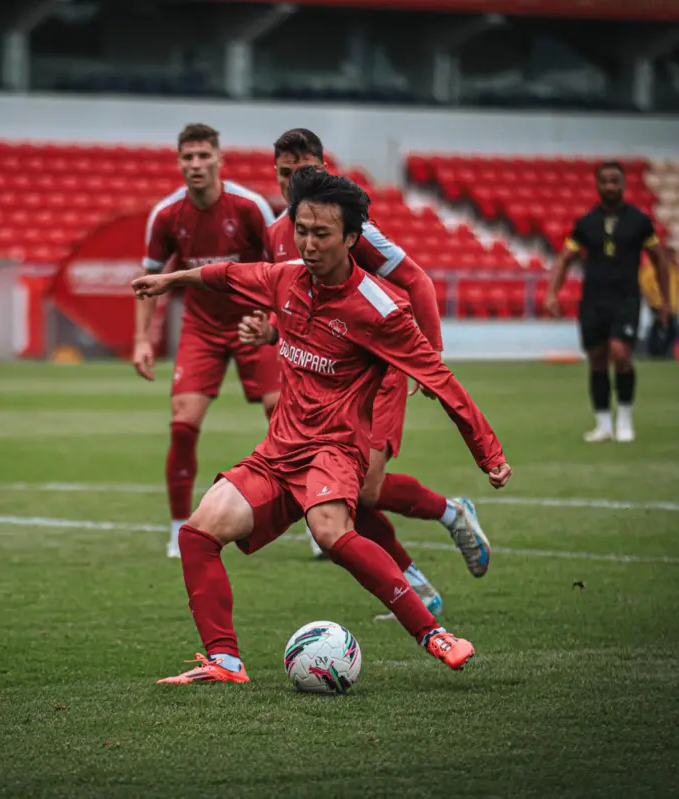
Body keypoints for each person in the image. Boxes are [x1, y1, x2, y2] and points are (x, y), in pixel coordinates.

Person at [131, 167, 512, 684]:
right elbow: (225, 275)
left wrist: (488, 453)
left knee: (330, 531)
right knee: (199, 531)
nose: (307, 244)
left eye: (321, 234)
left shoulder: (380, 308)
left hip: (334, 450)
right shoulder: (286, 277)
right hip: (278, 452)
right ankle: (225, 661)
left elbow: (442, 381)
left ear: (353, 238)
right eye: (301, 231)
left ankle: (433, 634)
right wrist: (168, 281)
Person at [256, 133, 494, 608]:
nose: (293, 182)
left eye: (302, 171)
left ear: (323, 169)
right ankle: (417, 579)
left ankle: (446, 519)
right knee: (349, 494)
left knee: (361, 488)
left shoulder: (353, 229)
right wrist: (267, 331)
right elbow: (293, 306)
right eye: (284, 174)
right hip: (320, 380)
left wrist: (430, 356)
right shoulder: (277, 233)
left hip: (378, 368)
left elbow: (416, 280)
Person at [133, 123, 278, 559]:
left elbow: (282, 269)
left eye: (203, 156)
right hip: (202, 327)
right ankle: (181, 525)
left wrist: (273, 323)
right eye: (187, 158)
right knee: (183, 422)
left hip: (255, 321)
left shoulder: (250, 207)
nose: (195, 165)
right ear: (178, 163)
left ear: (220, 159)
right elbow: (148, 281)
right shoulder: (165, 215)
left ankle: (311, 516)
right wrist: (142, 339)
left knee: (284, 418)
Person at [545, 161, 671, 443]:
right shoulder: (586, 223)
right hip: (592, 301)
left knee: (621, 354)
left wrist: (664, 300)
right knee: (597, 361)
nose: (610, 186)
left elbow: (659, 258)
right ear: (598, 184)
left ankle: (624, 419)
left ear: (623, 184)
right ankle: (603, 424)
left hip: (625, 299)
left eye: (615, 181)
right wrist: (552, 292)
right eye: (605, 181)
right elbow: (565, 258)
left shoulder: (639, 221)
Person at [639, 243, 679, 358]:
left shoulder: (673, 269)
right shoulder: (652, 268)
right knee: (658, 329)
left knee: (670, 331)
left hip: (672, 306)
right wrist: (656, 300)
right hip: (659, 305)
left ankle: (664, 354)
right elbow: (645, 285)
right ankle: (655, 353)